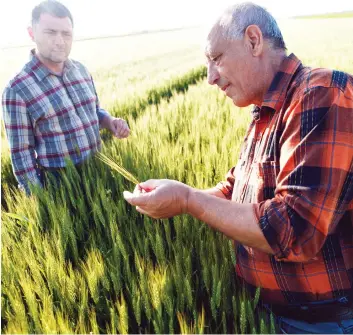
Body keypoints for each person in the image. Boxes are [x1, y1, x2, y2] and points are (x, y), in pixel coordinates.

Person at [123, 2, 353, 334]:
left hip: (323, 322)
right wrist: (173, 196)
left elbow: (296, 230)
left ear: (253, 40)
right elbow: (236, 188)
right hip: (271, 313)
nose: (210, 78)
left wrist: (189, 200)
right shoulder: (266, 111)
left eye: (215, 59)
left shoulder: (322, 93)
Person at [2, 0, 130, 194]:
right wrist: (44, 204)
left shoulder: (81, 70)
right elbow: (22, 157)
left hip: (99, 169)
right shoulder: (17, 89)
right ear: (31, 33)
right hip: (62, 185)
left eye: (66, 33)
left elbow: (94, 112)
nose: (60, 41)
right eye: (50, 32)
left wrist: (109, 121)